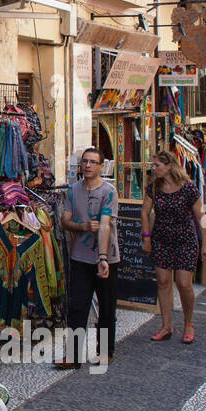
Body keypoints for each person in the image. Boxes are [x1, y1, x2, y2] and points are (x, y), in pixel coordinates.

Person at [58, 147, 120, 368]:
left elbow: (105, 224)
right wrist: (82, 226)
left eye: (93, 162)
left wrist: (102, 258)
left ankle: (105, 351)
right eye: (85, 161)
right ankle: (73, 356)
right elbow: (64, 222)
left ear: (101, 166)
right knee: (78, 307)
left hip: (106, 258)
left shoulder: (109, 192)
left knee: (106, 307)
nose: (88, 165)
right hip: (80, 257)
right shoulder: (73, 190)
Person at [141, 149, 206, 344]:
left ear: (169, 166)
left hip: (185, 239)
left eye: (157, 166)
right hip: (161, 239)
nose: (154, 169)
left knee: (184, 283)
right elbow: (145, 212)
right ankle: (166, 325)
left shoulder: (188, 188)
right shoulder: (154, 188)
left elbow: (201, 216)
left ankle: (188, 323)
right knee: (163, 281)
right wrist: (146, 237)